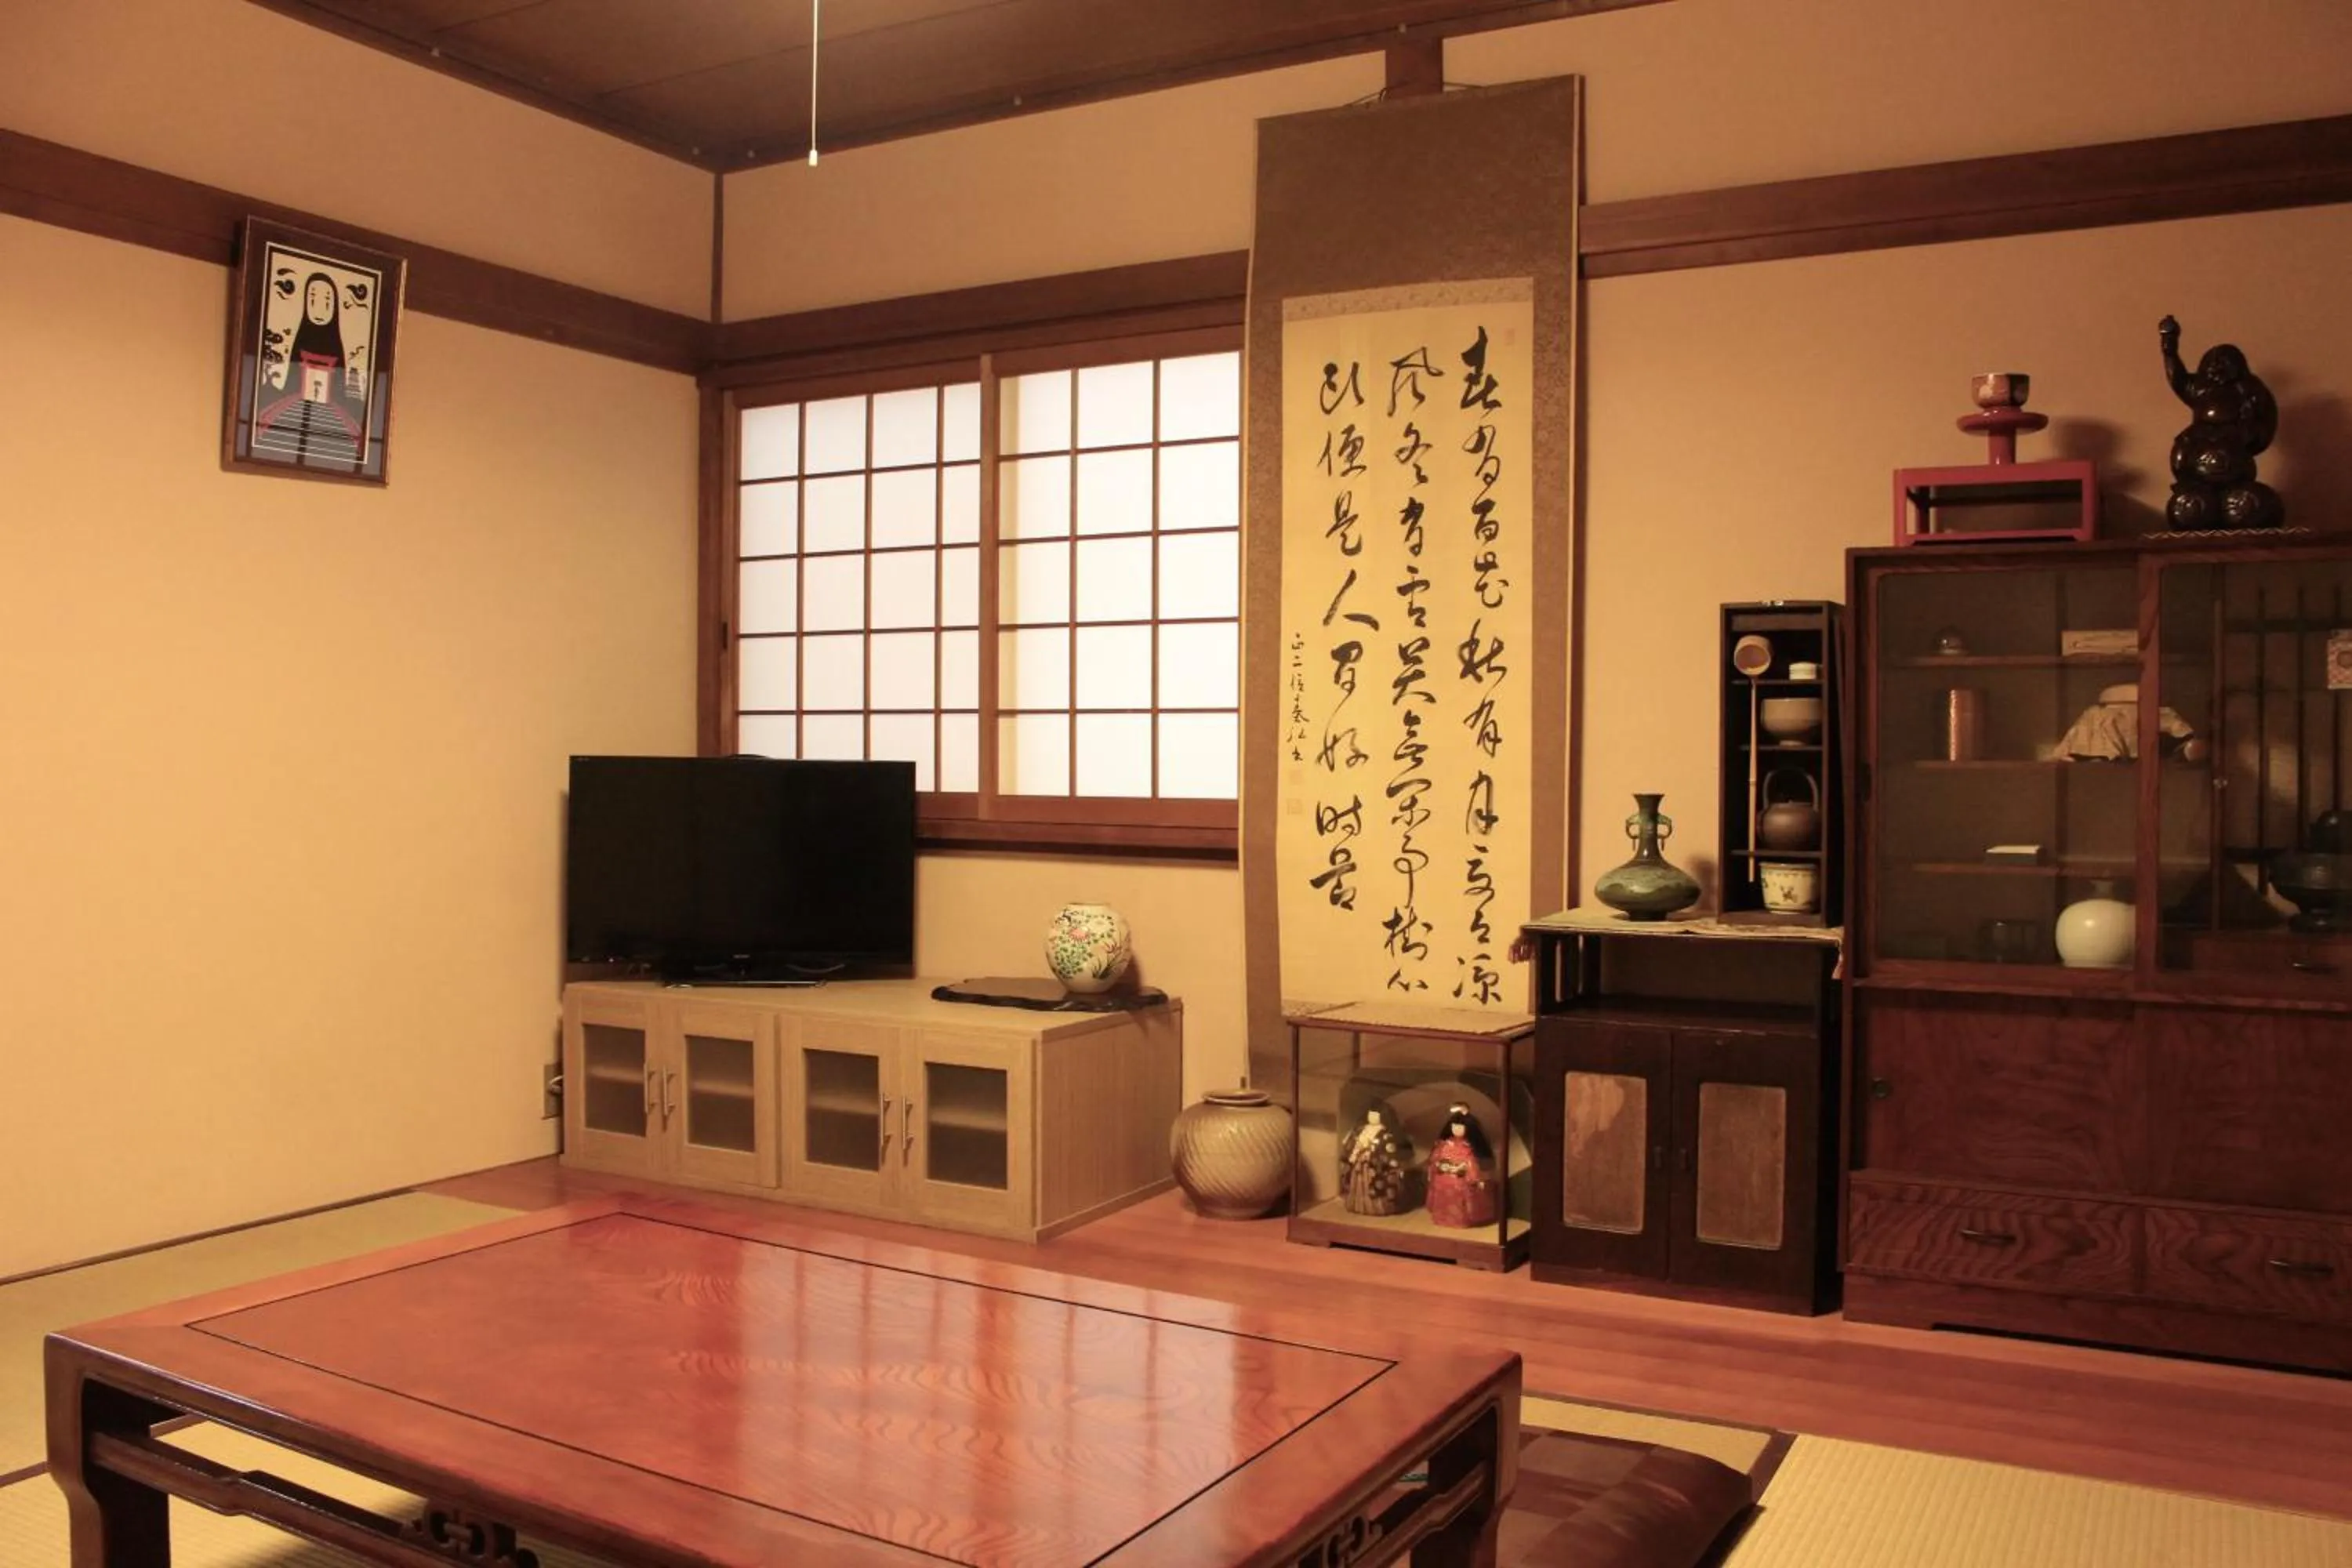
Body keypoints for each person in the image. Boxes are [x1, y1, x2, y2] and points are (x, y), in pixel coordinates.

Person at [1425, 1101, 1497, 1229]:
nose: (1457, 1129)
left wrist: (1475, 1178)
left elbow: (1471, 1163)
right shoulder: (1444, 1145)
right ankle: (1442, 1218)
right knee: (1443, 1199)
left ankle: (1461, 1221)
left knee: (1462, 1200)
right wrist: (1432, 1171)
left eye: (1460, 1127)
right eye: (1454, 1126)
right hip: (1443, 1179)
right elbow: (1435, 1159)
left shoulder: (1469, 1146)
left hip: (1461, 1180)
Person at [1341, 1104, 1408, 1216]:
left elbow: (1388, 1149)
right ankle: (1358, 1205)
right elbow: (1353, 1144)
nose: (1372, 1117)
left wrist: (1372, 1150)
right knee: (1359, 1183)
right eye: (1370, 1114)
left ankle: (1377, 1207)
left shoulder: (1385, 1133)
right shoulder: (1362, 1129)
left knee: (1375, 1184)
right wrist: (1355, 1150)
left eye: (1375, 1115)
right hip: (1361, 1161)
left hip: (1374, 1163)